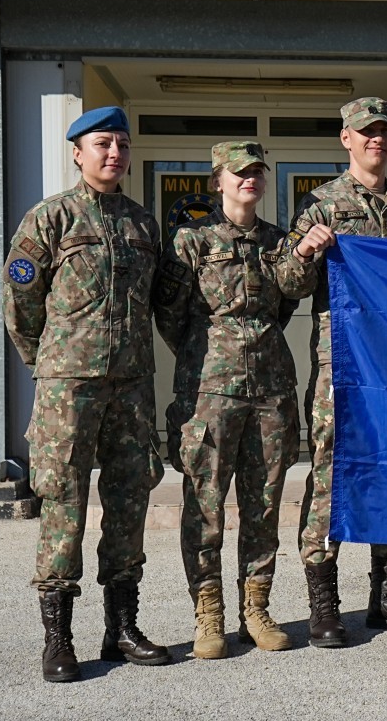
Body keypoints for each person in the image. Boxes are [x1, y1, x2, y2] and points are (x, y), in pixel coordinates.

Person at [3, 106, 170, 682]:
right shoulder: (51, 218)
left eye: (122, 144)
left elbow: (159, 302)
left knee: (129, 503)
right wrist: (50, 364)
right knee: (64, 505)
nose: (114, 153)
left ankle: (121, 629)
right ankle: (58, 639)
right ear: (77, 152)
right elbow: (21, 305)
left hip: (131, 387)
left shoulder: (143, 224)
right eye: (103, 143)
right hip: (67, 389)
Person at [286, 97, 387, 643]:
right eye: (365, 131)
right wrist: (307, 250)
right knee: (331, 470)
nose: (376, 139)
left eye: (383, 130)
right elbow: (288, 285)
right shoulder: (321, 205)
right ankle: (324, 600)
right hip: (344, 362)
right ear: (346, 139)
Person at [154, 141, 316, 658]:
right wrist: (208, 352)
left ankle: (257, 608)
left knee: (264, 501)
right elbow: (171, 315)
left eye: (256, 172)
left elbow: (292, 295)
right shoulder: (191, 242)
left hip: (270, 389)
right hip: (208, 391)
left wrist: (307, 249)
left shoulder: (278, 241)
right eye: (239, 172)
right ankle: (209, 612)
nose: (250, 179)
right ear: (218, 180)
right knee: (205, 504)